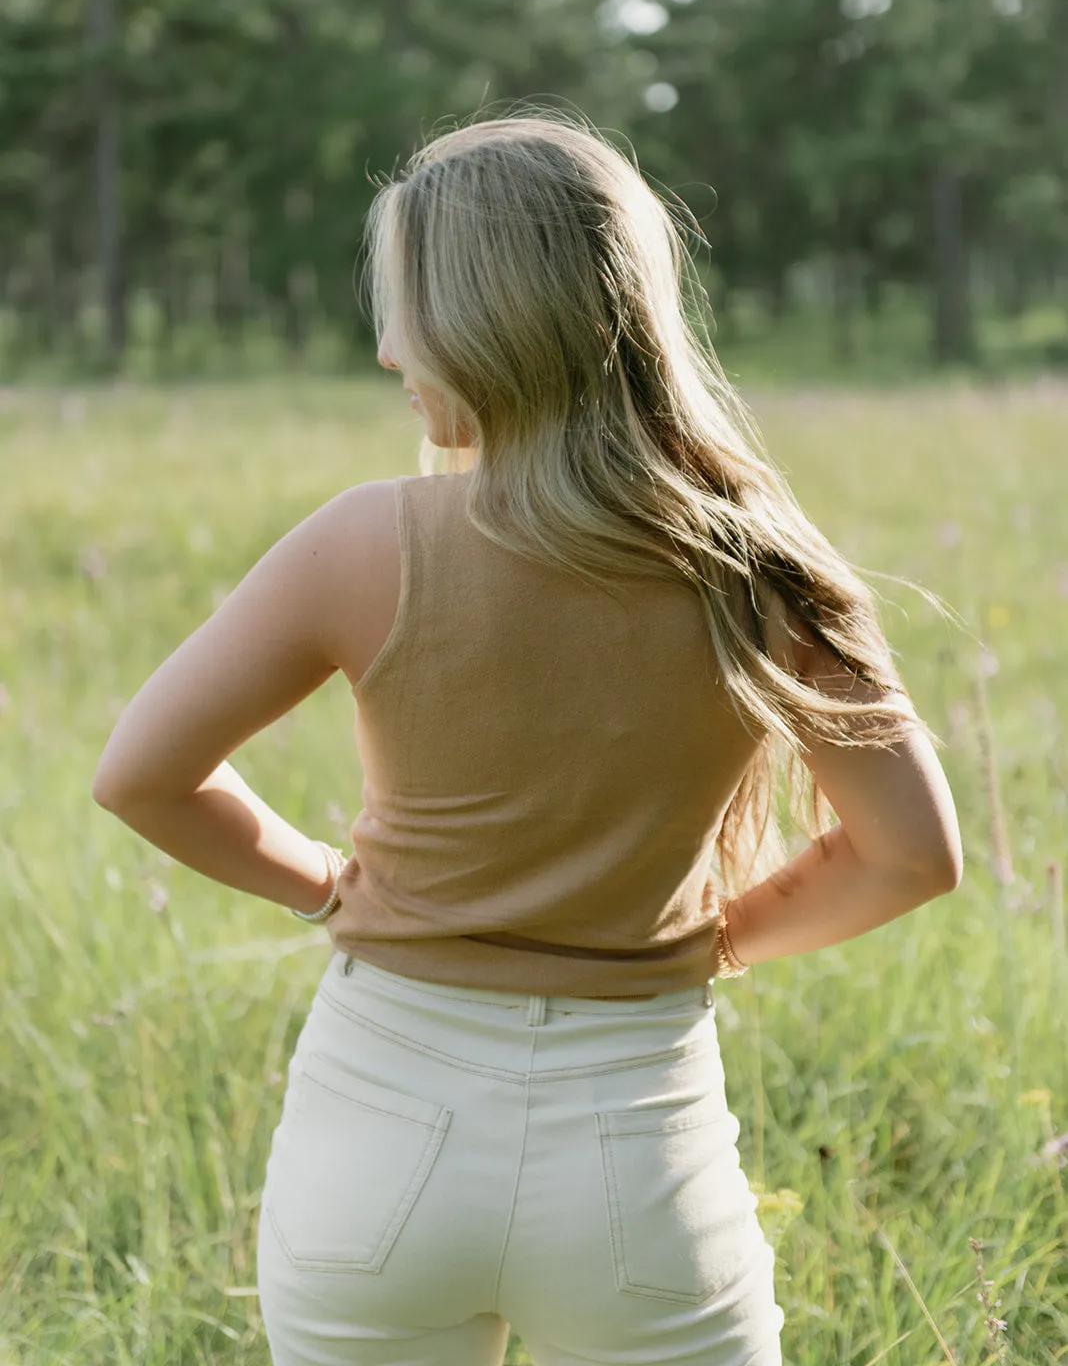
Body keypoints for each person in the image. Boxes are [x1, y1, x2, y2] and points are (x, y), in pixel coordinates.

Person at [92, 105, 964, 1366]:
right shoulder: (760, 566)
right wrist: (720, 937)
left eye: (407, 309)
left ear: (488, 321)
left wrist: (323, 886)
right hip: (638, 1147)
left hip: (376, 1133)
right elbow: (912, 857)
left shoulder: (359, 542)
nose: (390, 349)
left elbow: (143, 776)